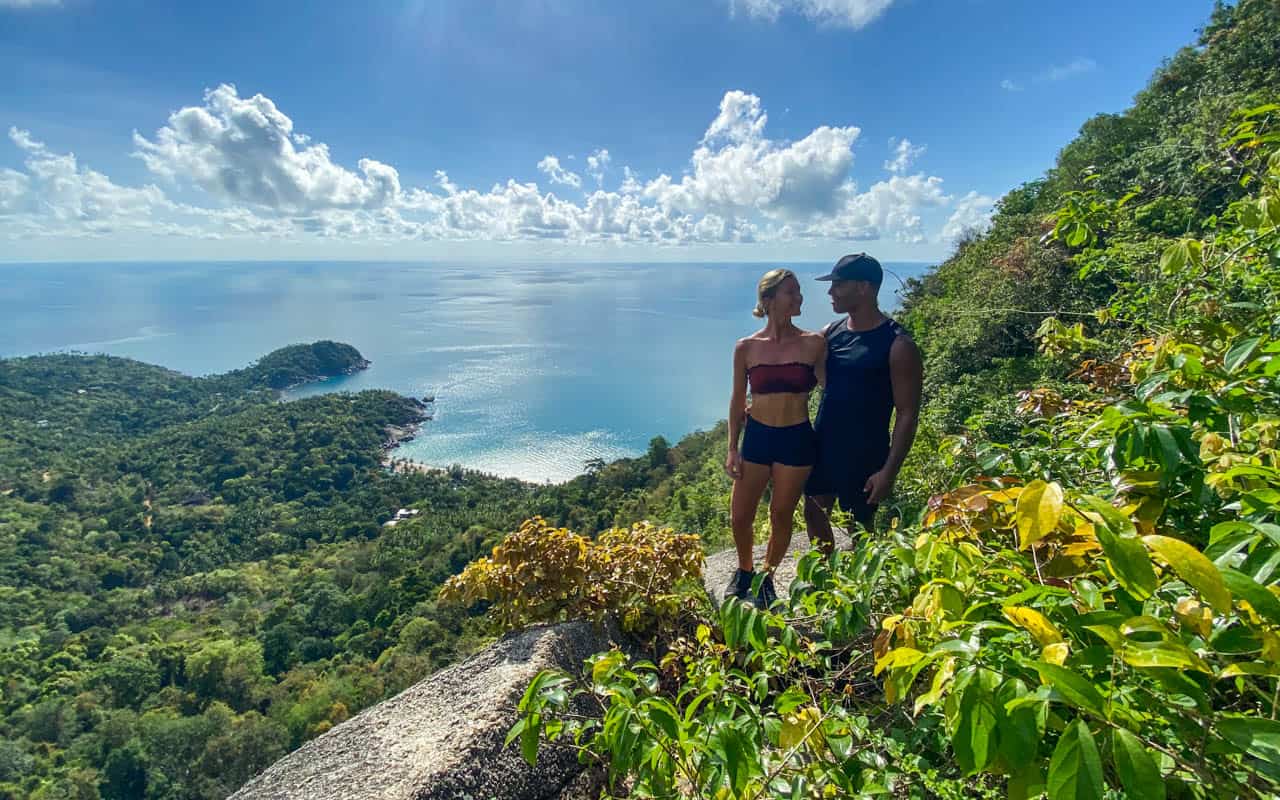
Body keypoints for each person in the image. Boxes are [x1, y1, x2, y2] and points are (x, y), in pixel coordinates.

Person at [803, 253, 923, 552]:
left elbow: (907, 414)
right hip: (824, 445)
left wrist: (889, 472)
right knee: (814, 512)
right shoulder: (831, 333)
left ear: (864, 288)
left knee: (860, 528)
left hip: (866, 453)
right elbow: (800, 373)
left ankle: (863, 579)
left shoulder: (898, 344)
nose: (831, 292)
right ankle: (826, 573)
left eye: (839, 285)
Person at [724, 268, 826, 607]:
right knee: (740, 515)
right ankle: (745, 570)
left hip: (796, 438)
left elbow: (832, 387)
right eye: (791, 292)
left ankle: (766, 577)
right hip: (758, 436)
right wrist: (732, 448)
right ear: (768, 300)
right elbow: (737, 399)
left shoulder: (814, 343)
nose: (799, 297)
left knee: (781, 514)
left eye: (799, 291)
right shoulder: (746, 347)